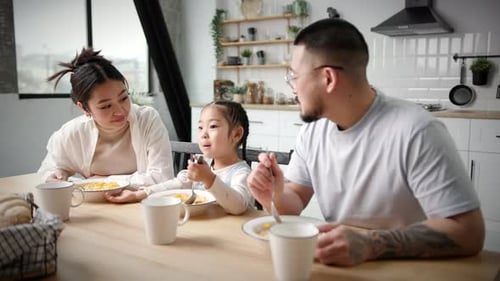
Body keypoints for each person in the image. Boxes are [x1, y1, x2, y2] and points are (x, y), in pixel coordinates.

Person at [247, 18, 484, 266]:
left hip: (408, 268)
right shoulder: (313, 132)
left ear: (328, 78)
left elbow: (469, 232)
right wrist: (272, 194)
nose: (292, 89)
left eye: (294, 77)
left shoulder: (416, 130)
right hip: (342, 267)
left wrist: (371, 244)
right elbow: (294, 200)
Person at [38, 47, 174, 203]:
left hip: (140, 207)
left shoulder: (147, 119)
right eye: (106, 106)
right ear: (84, 108)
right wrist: (55, 175)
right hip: (96, 212)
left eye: (123, 98)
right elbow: (48, 168)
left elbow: (162, 177)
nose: (120, 111)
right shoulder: (73, 133)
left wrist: (103, 181)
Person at [114, 101, 253, 213]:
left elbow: (238, 206)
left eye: (213, 126)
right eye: (200, 127)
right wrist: (141, 194)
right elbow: (179, 183)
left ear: (236, 134)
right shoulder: (204, 163)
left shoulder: (242, 172)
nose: (204, 134)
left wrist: (209, 179)